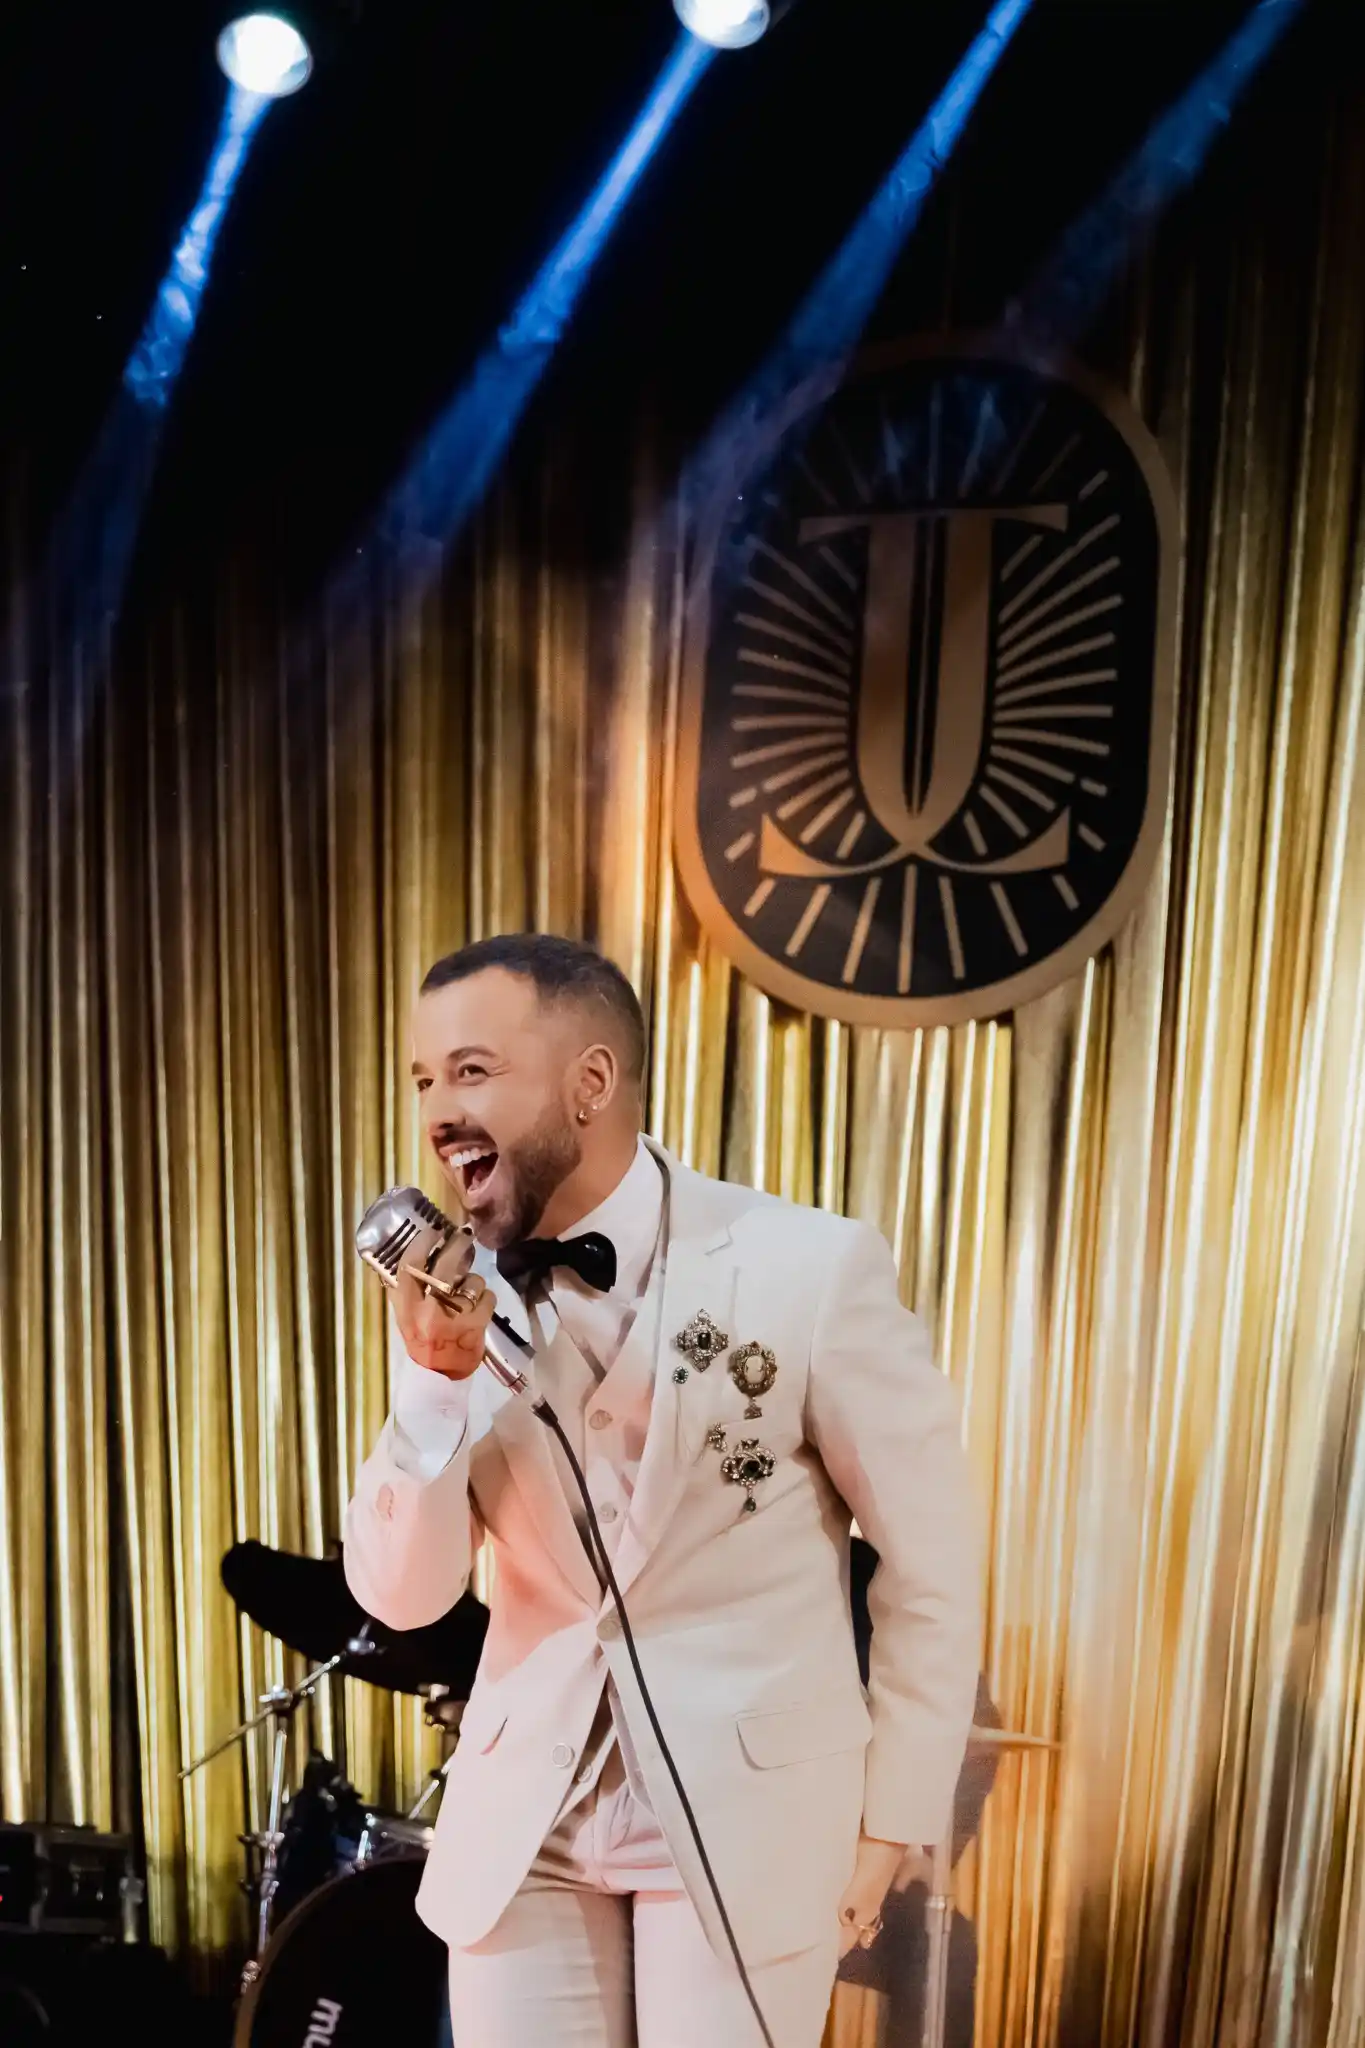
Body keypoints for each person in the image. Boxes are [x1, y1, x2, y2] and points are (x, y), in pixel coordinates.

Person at [344, 934, 981, 2048]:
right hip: (527, 1826)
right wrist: (433, 1391)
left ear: (590, 1081)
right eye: (424, 1080)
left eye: (472, 1071)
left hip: (747, 1825)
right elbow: (403, 1599)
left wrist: (891, 1822)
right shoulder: (451, 1299)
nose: (440, 1112)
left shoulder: (804, 1266)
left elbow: (933, 1564)